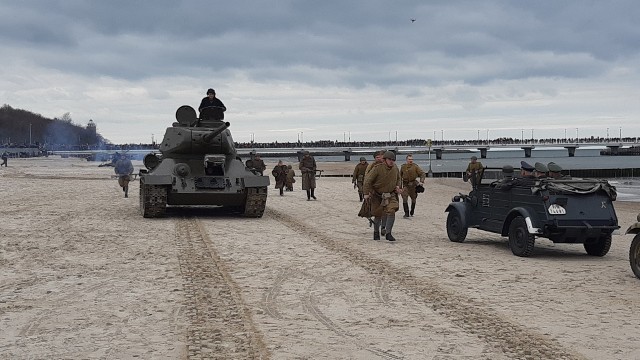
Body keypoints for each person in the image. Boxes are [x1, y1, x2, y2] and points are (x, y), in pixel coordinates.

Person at [363, 151, 402, 241]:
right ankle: (376, 232)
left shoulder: (395, 168)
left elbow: (399, 178)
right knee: (378, 215)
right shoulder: (377, 168)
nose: (391, 161)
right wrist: (366, 194)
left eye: (393, 160)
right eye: (389, 159)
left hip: (390, 194)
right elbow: (367, 181)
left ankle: (388, 233)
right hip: (377, 195)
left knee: (391, 210)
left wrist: (398, 186)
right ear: (384, 160)